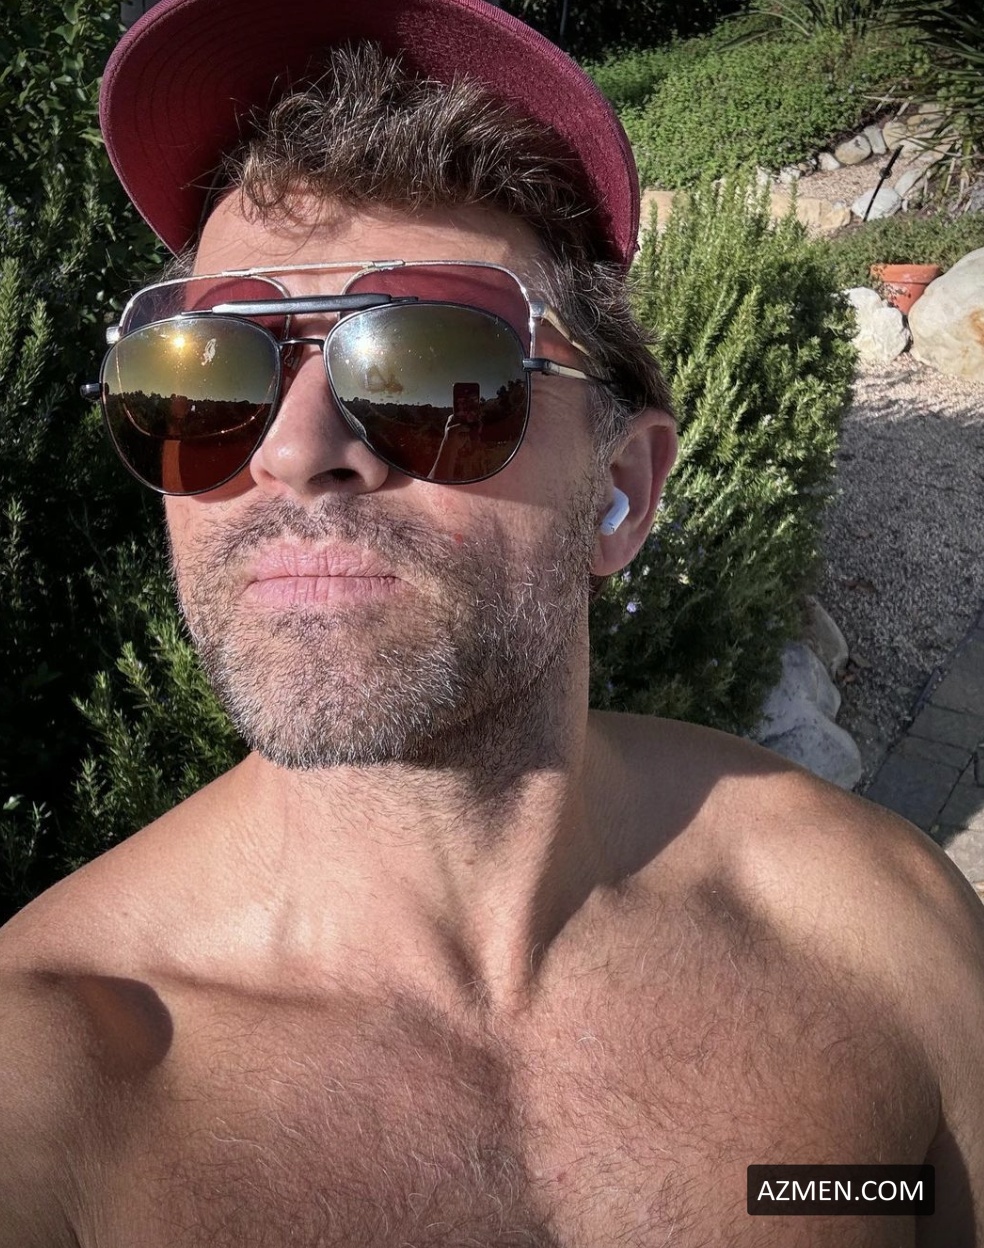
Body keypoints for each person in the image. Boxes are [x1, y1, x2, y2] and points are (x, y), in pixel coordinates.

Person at [2, 0, 983, 1243]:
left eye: (426, 370)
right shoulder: (51, 1087)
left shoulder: (873, 933)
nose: (290, 454)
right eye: (205, 374)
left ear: (619, 491)